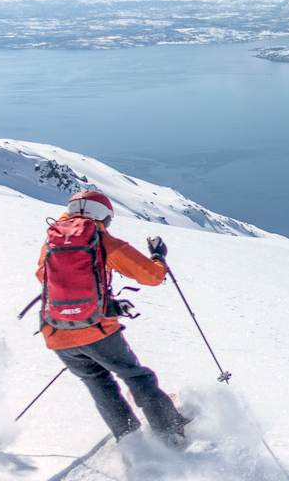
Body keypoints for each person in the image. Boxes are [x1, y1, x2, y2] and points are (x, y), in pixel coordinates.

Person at [35, 190, 188, 444]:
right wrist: (158, 256)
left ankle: (130, 441)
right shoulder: (103, 241)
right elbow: (151, 276)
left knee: (98, 382)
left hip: (56, 331)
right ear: (103, 216)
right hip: (96, 329)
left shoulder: (51, 242)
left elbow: (43, 276)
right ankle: (171, 432)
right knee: (136, 376)